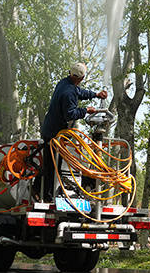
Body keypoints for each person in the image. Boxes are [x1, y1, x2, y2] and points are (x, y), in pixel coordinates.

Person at [38, 62, 107, 200]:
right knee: (52, 166)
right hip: (54, 134)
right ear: (81, 78)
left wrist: (95, 95)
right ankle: (46, 195)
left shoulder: (65, 83)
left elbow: (79, 92)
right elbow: (70, 114)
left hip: (52, 130)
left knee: (51, 164)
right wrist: (86, 110)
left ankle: (41, 190)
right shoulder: (68, 92)